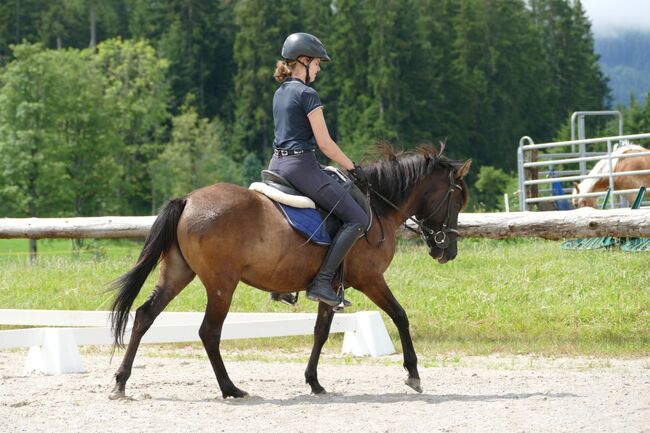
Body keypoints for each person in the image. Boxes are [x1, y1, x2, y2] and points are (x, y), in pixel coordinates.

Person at [268, 32, 369, 307]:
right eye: (317, 63)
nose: (319, 68)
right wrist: (352, 167)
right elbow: (325, 144)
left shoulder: (280, 92)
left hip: (275, 164)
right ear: (303, 60)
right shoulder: (307, 94)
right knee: (358, 218)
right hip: (300, 167)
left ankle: (279, 285)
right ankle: (322, 282)